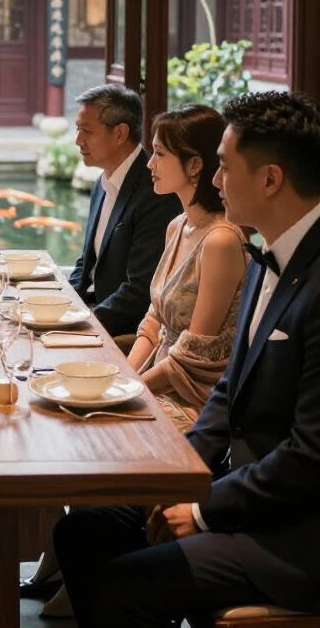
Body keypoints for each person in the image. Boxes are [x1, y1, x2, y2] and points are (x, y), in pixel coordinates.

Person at [54, 91, 320, 627]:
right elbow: (226, 396)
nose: (215, 180)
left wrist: (201, 509)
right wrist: (176, 484)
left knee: (120, 587)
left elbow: (314, 457)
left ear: (269, 180)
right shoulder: (269, 255)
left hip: (306, 538)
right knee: (81, 531)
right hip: (249, 495)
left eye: (224, 166)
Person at [128, 104, 247, 431]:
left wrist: (129, 390)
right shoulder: (177, 226)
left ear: (194, 164)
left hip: (193, 398)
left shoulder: (221, 241)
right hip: (156, 380)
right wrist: (125, 376)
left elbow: (194, 352)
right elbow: (153, 321)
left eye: (159, 154)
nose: (150, 164)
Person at [68, 84, 181, 337]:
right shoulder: (102, 182)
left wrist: (81, 326)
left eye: (86, 131)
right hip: (94, 311)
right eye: (78, 130)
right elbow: (87, 263)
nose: (78, 140)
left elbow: (140, 290)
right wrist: (61, 305)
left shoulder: (155, 190)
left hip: (123, 330)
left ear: (120, 133)